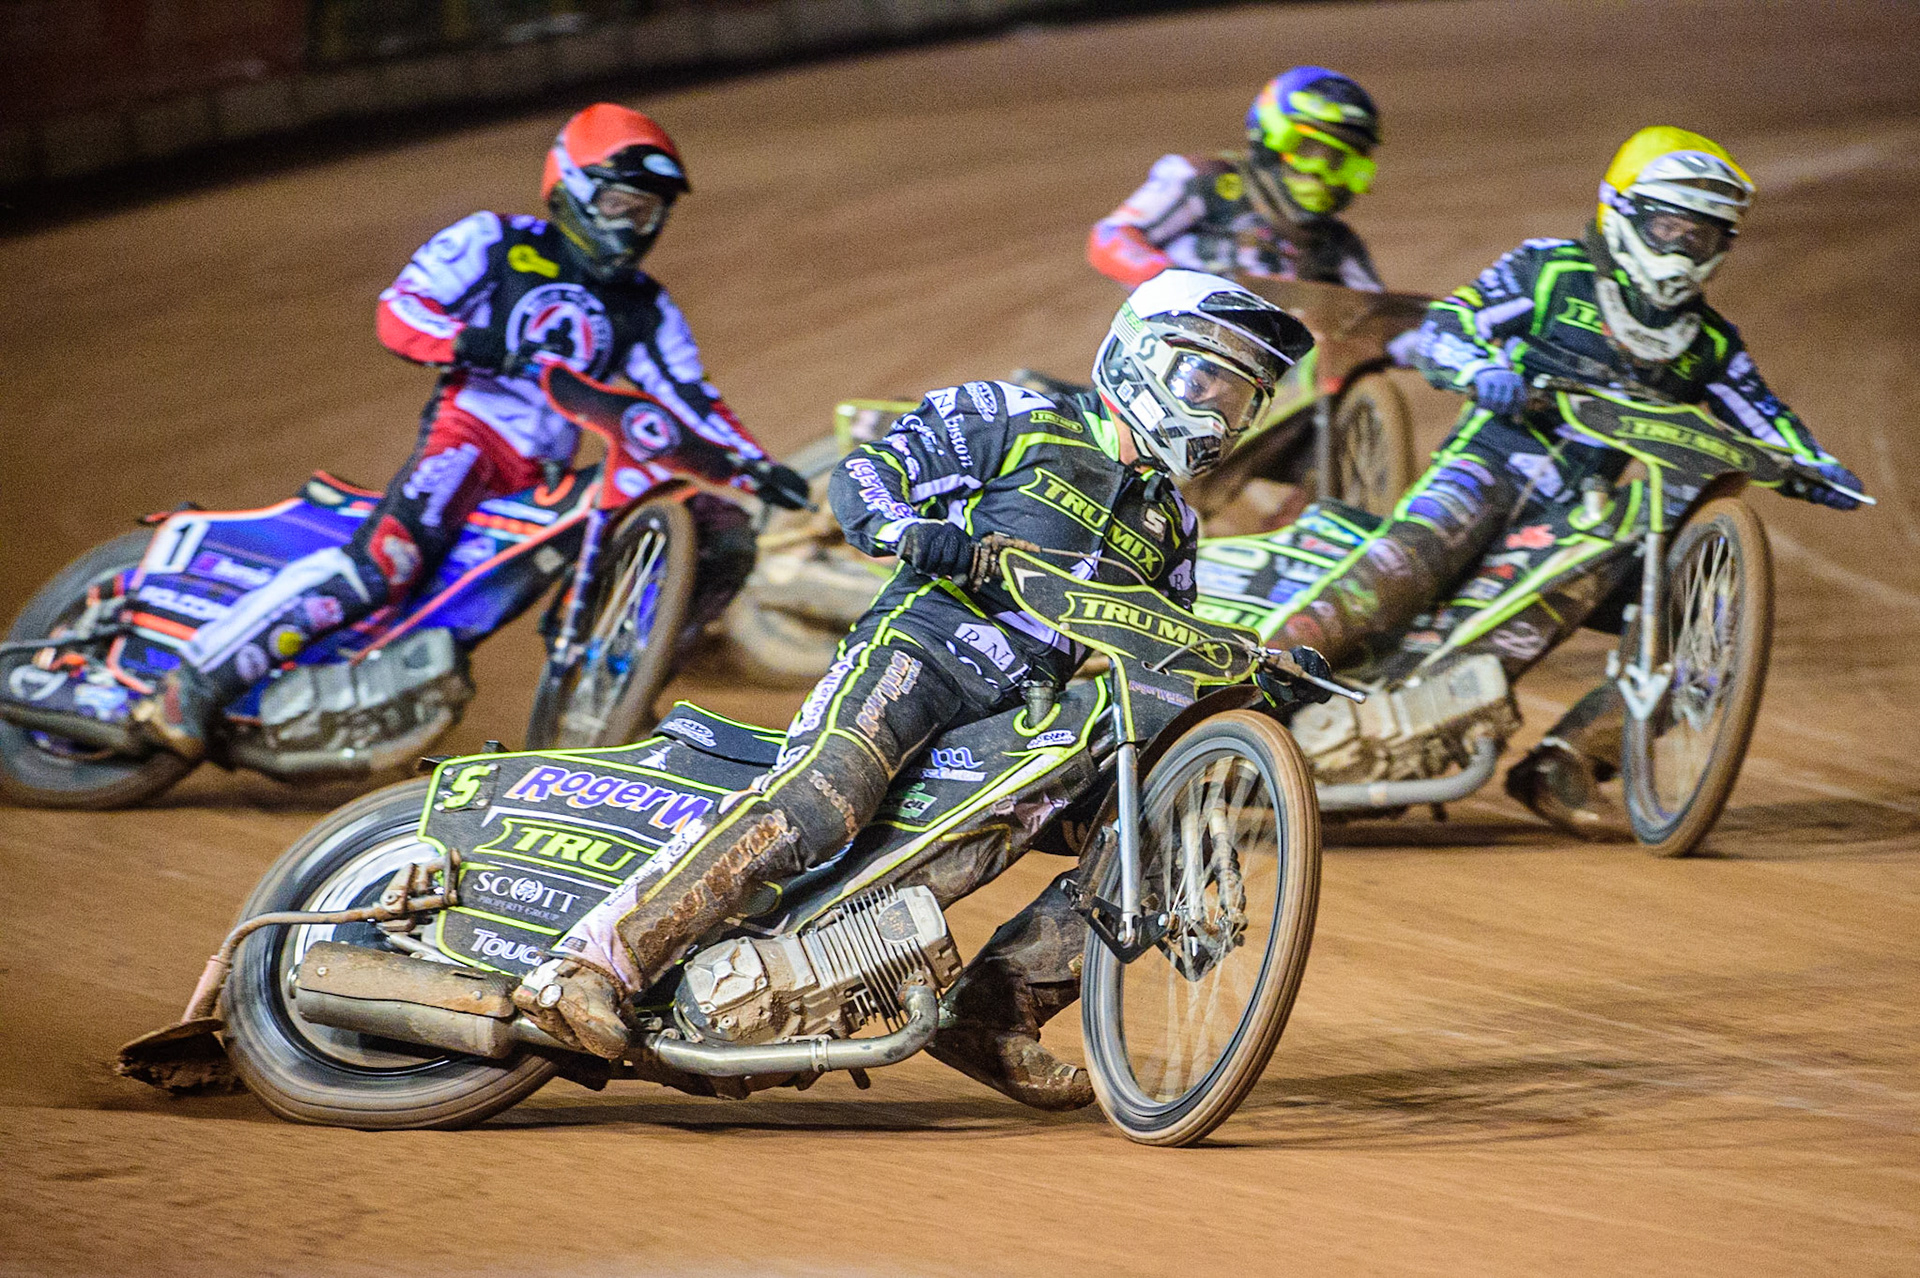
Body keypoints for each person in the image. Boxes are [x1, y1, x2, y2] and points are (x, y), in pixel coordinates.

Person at [513, 270, 1314, 1109]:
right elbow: (864, 477)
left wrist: (1255, 670)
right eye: (1209, 385)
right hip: (919, 653)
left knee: (1155, 834)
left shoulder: (1172, 525)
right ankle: (588, 967)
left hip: (1020, 711)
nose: (1222, 416)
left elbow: (1161, 649)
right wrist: (908, 529)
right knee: (828, 796)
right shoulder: (1015, 414)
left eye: (1243, 400)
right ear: (1142, 356)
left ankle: (992, 1013)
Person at [133, 103, 792, 759]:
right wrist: (474, 343)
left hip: (545, 477)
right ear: (573, 189)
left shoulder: (647, 307)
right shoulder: (496, 242)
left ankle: (615, 684)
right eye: (623, 205)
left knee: (711, 523)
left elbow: (689, 397)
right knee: (386, 565)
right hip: (468, 441)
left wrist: (754, 466)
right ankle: (192, 686)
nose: (636, 228)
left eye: (649, 214)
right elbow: (400, 313)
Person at [1260, 127, 1863, 830]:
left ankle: (1567, 763)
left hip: (1581, 511)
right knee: (1404, 571)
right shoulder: (1551, 270)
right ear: (1622, 213)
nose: (1679, 250)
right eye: (1666, 227)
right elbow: (1451, 322)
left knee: (1701, 622)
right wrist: (1481, 370)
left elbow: (1766, 417)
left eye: (1699, 238)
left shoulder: (1711, 344)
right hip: (1487, 465)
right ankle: (1255, 682)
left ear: (1720, 247)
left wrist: (1817, 468)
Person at [1088, 67, 1384, 291]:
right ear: (1270, 136)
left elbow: (1376, 315)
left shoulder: (1336, 243)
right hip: (1177, 347)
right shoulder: (1207, 181)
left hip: (1272, 367)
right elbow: (1109, 238)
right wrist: (1173, 282)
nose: (1321, 173)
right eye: (1308, 150)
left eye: (1340, 162)